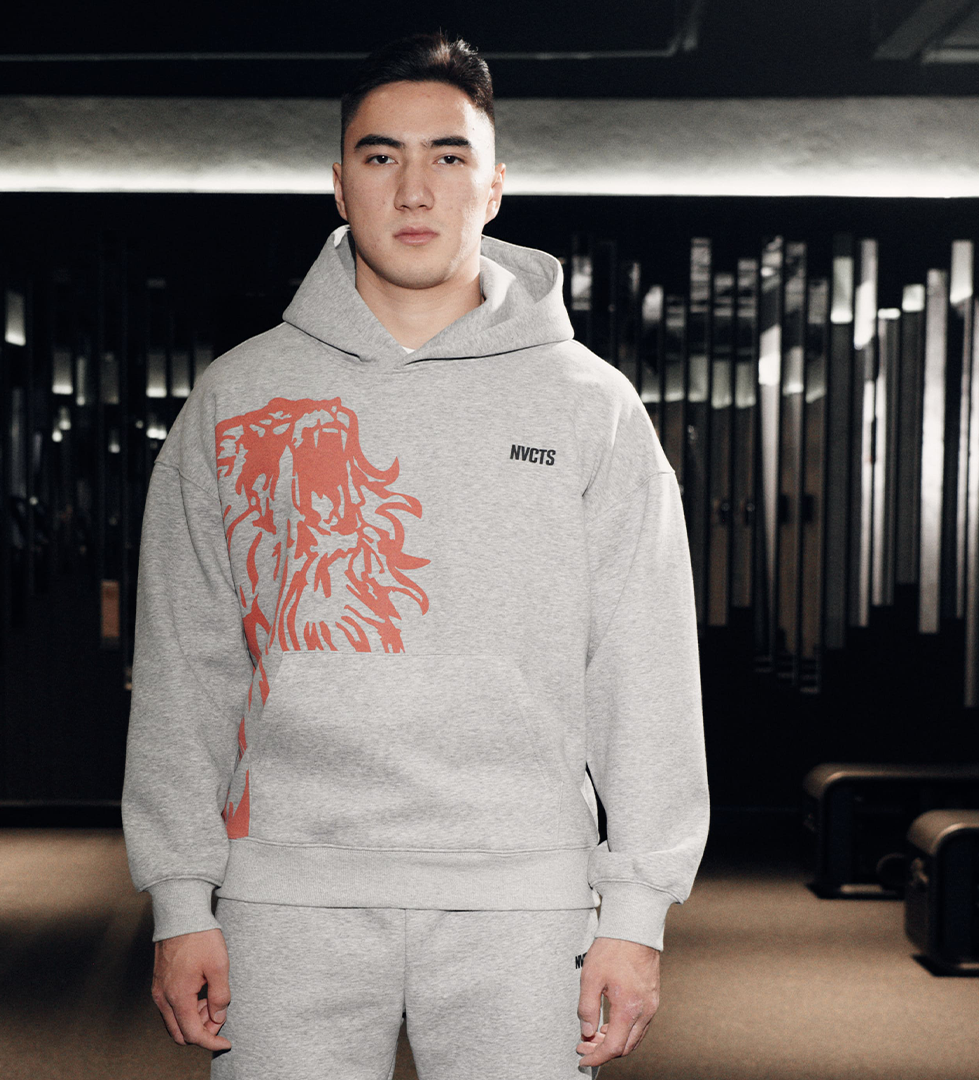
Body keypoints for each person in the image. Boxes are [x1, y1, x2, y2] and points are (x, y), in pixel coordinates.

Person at [122, 30, 709, 1080]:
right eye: (381, 155)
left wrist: (637, 910)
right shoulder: (240, 397)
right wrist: (178, 896)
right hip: (283, 894)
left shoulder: (592, 406)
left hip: (524, 897)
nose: (414, 188)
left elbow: (645, 668)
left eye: (448, 155)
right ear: (340, 183)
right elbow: (186, 661)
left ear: (494, 187)